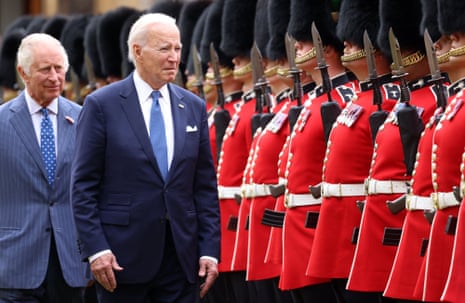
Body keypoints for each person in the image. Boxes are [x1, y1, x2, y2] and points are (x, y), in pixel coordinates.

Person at [71, 13, 220, 303]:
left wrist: (209, 249)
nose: (174, 57)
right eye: (164, 49)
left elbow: (203, 187)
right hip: (120, 261)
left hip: (181, 258)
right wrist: (96, 249)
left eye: (177, 48)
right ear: (138, 52)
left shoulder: (192, 106)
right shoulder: (102, 105)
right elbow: (83, 186)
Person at [0, 33, 89, 302]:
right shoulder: (2, 122)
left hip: (70, 263)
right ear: (23, 73)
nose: (55, 77)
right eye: (45, 69)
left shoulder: (84, 119)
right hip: (14, 263)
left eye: (59, 68)